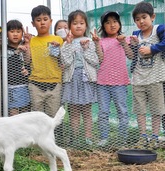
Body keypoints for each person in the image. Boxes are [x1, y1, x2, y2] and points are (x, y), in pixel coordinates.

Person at [120, 1, 165, 149]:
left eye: (144, 17)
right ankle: (143, 137)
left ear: (152, 17)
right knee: (140, 109)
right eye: (137, 19)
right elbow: (132, 56)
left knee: (156, 109)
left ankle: (155, 137)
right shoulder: (135, 35)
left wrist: (152, 49)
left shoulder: (159, 29)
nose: (141, 21)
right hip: (138, 79)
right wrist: (129, 44)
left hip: (155, 78)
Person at [90, 11, 130, 147]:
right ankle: (104, 138)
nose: (112, 25)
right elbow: (101, 59)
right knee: (103, 112)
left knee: (122, 111)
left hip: (120, 82)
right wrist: (96, 43)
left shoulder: (125, 39)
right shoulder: (101, 41)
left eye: (115, 21)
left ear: (119, 24)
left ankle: (122, 139)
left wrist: (123, 42)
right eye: (107, 22)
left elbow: (131, 55)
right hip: (103, 82)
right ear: (103, 26)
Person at [60, 10, 99, 146]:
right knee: (74, 111)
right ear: (69, 26)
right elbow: (66, 62)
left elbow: (95, 61)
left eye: (81, 23)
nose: (78, 26)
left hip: (86, 79)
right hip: (71, 80)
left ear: (86, 25)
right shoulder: (66, 43)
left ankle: (88, 137)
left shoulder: (90, 41)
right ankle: (75, 138)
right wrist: (69, 45)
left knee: (87, 111)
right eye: (75, 23)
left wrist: (86, 48)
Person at [27, 5, 63, 117]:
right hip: (35, 84)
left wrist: (59, 48)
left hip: (55, 83)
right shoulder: (31, 41)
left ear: (51, 21)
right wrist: (27, 45)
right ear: (33, 23)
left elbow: (62, 60)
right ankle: (38, 135)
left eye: (45, 19)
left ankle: (54, 135)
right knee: (37, 117)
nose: (42, 23)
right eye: (38, 20)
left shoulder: (57, 39)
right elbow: (27, 61)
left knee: (53, 116)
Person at [6, 19, 31, 116]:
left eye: (18, 32)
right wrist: (17, 51)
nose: (15, 34)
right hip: (10, 86)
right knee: (14, 114)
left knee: (25, 113)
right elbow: (6, 65)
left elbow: (28, 61)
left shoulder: (24, 46)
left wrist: (27, 44)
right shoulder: (3, 48)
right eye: (12, 32)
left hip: (24, 85)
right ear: (7, 34)